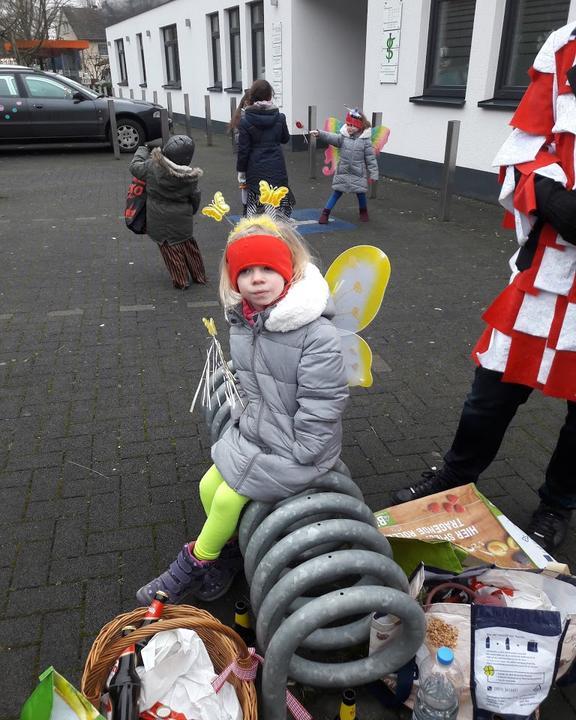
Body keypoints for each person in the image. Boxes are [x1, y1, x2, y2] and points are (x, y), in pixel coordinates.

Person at [390, 22, 576, 553]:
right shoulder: (564, 49)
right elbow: (522, 150)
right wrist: (548, 196)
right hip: (546, 272)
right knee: (490, 393)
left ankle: (557, 504)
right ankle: (454, 475)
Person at [136, 217, 349, 604]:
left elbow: (324, 404)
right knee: (207, 485)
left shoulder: (315, 334)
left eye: (268, 268)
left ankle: (191, 567)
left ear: (289, 272)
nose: (257, 279)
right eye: (247, 271)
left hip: (302, 448)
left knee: (226, 499)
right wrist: (245, 422)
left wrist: (301, 450)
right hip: (258, 432)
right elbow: (252, 387)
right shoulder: (245, 322)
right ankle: (230, 553)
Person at [129, 135, 207, 289]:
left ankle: (181, 281)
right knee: (189, 246)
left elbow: (134, 166)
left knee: (171, 251)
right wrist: (191, 211)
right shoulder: (191, 177)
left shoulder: (151, 167)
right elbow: (195, 197)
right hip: (182, 220)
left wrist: (143, 149)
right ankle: (199, 275)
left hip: (159, 220)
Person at [236, 79, 294, 218]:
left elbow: (243, 150)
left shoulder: (245, 121)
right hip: (276, 167)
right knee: (275, 206)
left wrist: (241, 172)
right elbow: (285, 139)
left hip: (255, 169)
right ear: (270, 96)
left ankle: (255, 234)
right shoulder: (280, 117)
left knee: (254, 209)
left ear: (252, 96)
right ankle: (275, 233)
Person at [311, 108, 379, 224]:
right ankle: (325, 213)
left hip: (358, 172)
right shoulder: (343, 137)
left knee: (360, 193)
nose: (349, 127)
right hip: (343, 170)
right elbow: (331, 137)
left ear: (360, 126)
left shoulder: (365, 141)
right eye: (348, 124)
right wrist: (320, 133)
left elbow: (370, 159)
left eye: (353, 125)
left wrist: (374, 174)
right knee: (337, 192)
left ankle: (363, 211)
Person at [229, 90, 250, 216]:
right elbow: (240, 141)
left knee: (245, 183)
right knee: (245, 183)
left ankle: (246, 208)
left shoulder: (241, 115)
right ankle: (246, 208)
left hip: (245, 156)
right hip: (246, 156)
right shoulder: (242, 117)